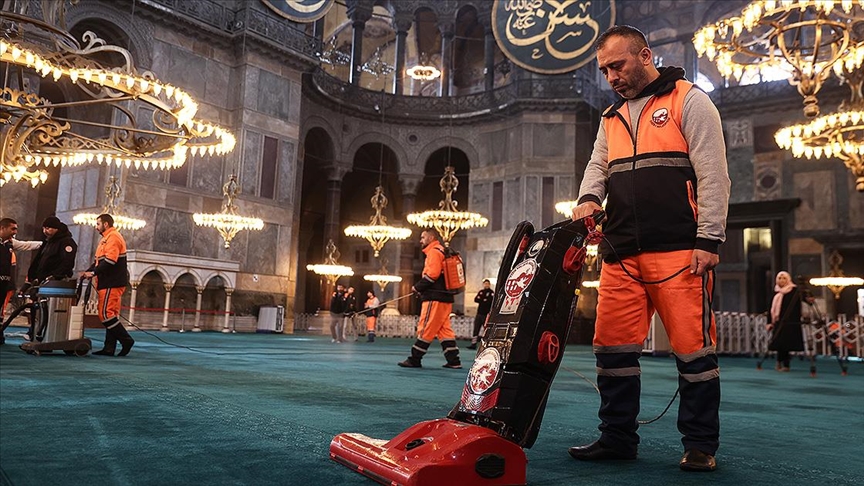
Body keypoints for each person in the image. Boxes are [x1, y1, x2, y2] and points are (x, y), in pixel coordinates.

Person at [569, 26, 730, 472]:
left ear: (645, 55)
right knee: (612, 351)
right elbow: (597, 165)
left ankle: (700, 444)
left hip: (681, 251)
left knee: (694, 353)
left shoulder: (689, 100)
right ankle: (617, 438)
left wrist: (709, 238)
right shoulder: (610, 116)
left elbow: (713, 174)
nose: (611, 77)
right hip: (620, 255)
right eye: (604, 70)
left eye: (617, 66)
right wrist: (587, 199)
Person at [398, 229, 462, 369]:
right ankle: (454, 361)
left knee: (425, 327)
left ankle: (415, 358)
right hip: (446, 298)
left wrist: (417, 287)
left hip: (434, 298)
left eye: (423, 237)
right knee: (444, 330)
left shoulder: (434, 251)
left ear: (431, 238)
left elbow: (432, 274)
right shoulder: (443, 251)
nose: (420, 241)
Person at [81, 214, 134, 356]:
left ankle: (126, 340)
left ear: (105, 224)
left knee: (105, 314)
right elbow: (100, 261)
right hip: (108, 282)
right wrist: (89, 271)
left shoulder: (113, 237)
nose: (96, 226)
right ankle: (109, 348)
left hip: (112, 282)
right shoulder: (106, 239)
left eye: (98, 223)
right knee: (111, 315)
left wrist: (93, 273)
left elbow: (110, 261)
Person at [24, 216, 78, 340]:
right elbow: (39, 261)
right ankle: (34, 331)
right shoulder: (48, 242)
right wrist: (34, 277)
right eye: (44, 228)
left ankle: (46, 334)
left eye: (48, 228)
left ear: (56, 229)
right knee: (36, 307)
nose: (45, 231)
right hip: (42, 283)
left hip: (55, 284)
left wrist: (55, 276)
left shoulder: (66, 242)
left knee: (48, 310)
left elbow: (67, 262)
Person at [0, 218, 42, 345]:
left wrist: (45, 243)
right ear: (2, 228)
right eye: (13, 228)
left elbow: (26, 245)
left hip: (4, 283)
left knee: (1, 309)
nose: (15, 231)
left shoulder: (10, 243)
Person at [767, 271, 806, 372]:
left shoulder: (793, 290)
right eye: (779, 278)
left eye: (784, 278)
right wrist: (769, 322)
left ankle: (786, 364)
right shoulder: (776, 291)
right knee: (779, 343)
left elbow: (803, 299)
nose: (782, 280)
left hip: (789, 322)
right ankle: (779, 361)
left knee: (786, 344)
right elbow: (770, 308)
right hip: (778, 321)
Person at [468, 279, 494, 349]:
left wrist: (482, 300)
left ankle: (487, 344)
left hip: (486, 314)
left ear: (489, 284)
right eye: (485, 284)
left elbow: (489, 302)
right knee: (476, 329)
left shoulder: (491, 293)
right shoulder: (481, 292)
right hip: (479, 313)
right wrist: (484, 300)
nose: (486, 285)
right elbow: (476, 299)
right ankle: (473, 344)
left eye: (487, 284)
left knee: (486, 329)